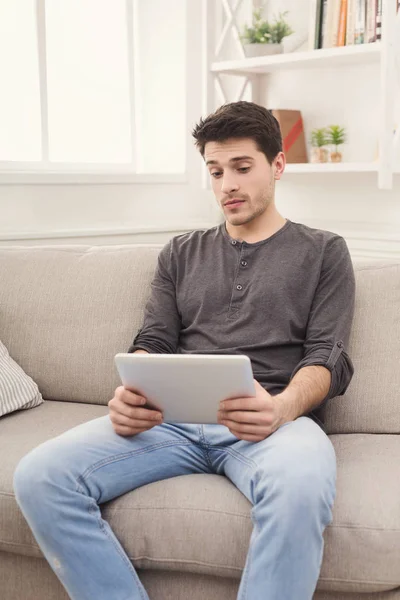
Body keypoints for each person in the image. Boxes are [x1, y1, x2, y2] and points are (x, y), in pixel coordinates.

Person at [13, 101, 355, 600]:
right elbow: (153, 340)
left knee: (301, 487)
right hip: (169, 423)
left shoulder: (324, 251)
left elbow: (328, 356)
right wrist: (133, 390)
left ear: (277, 166)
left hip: (271, 424)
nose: (226, 186)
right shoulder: (180, 252)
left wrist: (281, 409)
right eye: (215, 172)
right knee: (40, 475)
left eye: (241, 168)